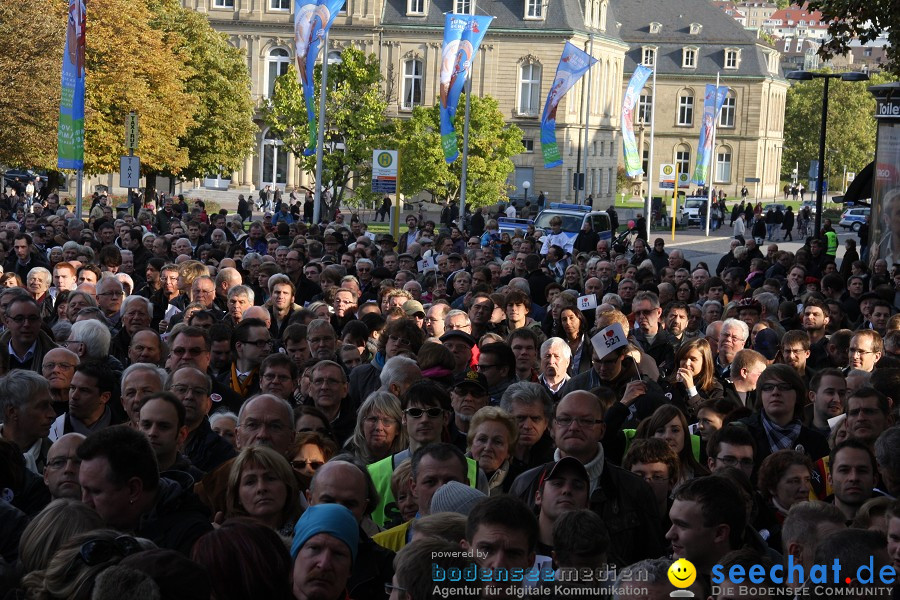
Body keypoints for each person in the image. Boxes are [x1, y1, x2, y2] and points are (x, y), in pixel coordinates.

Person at [77, 425, 213, 553]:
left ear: (133, 489)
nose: (85, 501)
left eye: (95, 491)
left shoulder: (192, 538)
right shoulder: (85, 523)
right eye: (83, 489)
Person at [225, 445, 300, 535]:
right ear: (237, 495)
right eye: (250, 482)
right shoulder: (227, 543)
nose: (261, 488)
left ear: (287, 486)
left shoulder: (308, 533)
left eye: (270, 478)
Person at [466, 406, 517, 495]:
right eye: (482, 439)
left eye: (497, 442)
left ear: (508, 451)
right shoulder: (453, 472)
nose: (488, 447)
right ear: (471, 444)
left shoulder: (518, 484)